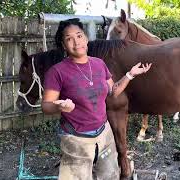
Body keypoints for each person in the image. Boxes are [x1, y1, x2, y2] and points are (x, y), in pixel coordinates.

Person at [41, 18, 152, 180]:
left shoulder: (99, 64)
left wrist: (130, 74)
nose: (76, 42)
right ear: (64, 46)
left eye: (79, 36)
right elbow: (46, 106)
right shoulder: (57, 72)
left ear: (85, 38)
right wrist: (59, 106)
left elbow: (113, 91)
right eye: (69, 38)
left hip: (104, 133)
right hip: (76, 139)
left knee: (110, 175)